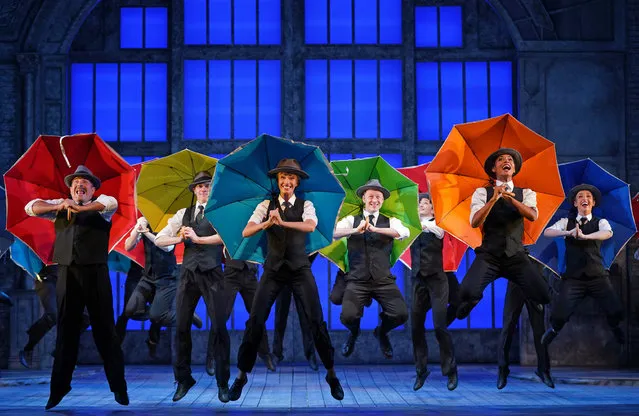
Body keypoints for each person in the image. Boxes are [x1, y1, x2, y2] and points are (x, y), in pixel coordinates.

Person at [228, 159, 344, 402]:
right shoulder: (265, 205)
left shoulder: (306, 205)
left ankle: (331, 374)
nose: (287, 182)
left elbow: (311, 226)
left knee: (316, 321)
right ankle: (240, 376)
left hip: (300, 269)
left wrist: (283, 221)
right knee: (255, 321)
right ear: (278, 181)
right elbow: (246, 232)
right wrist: (267, 222)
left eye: (291, 178)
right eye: (283, 178)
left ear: (297, 182)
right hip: (273, 271)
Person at [25, 165, 128, 409]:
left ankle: (118, 387)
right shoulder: (59, 206)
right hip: (67, 274)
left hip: (96, 274)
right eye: (76, 183)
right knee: (66, 333)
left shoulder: (101, 205)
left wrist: (80, 206)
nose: (79, 185)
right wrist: (58, 206)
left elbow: (110, 203)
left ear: (92, 188)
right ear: (70, 188)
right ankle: (59, 388)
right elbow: (31, 207)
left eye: (85, 183)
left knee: (106, 332)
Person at [155, 171, 231, 403]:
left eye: (207, 186)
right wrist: (179, 238)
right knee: (180, 327)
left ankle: (222, 383)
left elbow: (225, 237)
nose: (203, 189)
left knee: (219, 328)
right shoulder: (183, 214)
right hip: (188, 274)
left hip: (213, 274)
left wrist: (198, 238)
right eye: (199, 187)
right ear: (194, 191)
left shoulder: (219, 212)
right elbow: (160, 239)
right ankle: (183, 378)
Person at [455, 148, 551, 320]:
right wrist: (493, 199)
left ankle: (531, 294)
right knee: (465, 293)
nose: (506, 161)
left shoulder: (526, 193)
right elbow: (475, 222)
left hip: (516, 255)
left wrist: (510, 199)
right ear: (494, 169)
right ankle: (473, 300)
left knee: (544, 296)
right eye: (500, 159)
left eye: (510, 160)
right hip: (490, 255)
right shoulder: (482, 193)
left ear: (514, 169)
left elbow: (532, 215)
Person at [334, 179, 409, 360]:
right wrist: (354, 230)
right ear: (363, 199)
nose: (374, 200)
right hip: (357, 279)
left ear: (382, 201)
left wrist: (375, 229)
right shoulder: (352, 219)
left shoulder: (390, 220)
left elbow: (403, 233)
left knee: (401, 314)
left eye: (378, 197)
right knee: (347, 317)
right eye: (370, 196)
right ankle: (354, 332)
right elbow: (333, 233)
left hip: (383, 279)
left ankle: (381, 332)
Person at [541, 184, 625, 347]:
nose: (584, 198)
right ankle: (554, 331)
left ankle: (615, 327)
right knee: (559, 313)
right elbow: (547, 232)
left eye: (588, 196)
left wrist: (585, 236)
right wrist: (568, 233)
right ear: (575, 203)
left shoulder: (601, 222)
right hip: (573, 278)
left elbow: (607, 233)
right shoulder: (566, 222)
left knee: (616, 310)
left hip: (597, 275)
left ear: (593, 203)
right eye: (580, 196)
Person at [116, 216, 203, 358]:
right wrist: (137, 231)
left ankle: (185, 315)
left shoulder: (173, 223)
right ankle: (163, 311)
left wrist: (146, 233)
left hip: (167, 277)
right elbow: (128, 246)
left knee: (158, 316)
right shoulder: (143, 221)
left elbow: (166, 246)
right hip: (148, 276)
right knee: (131, 311)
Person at [409, 193, 457, 391]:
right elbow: (399, 233)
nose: (421, 205)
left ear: (432, 209)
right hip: (418, 280)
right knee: (415, 327)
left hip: (437, 280)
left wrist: (419, 225)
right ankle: (421, 370)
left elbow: (437, 232)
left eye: (425, 202)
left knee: (439, 326)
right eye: (419, 202)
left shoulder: (439, 224)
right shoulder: (411, 226)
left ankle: (450, 370)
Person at [207, 252, 276, 375]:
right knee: (221, 316)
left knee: (258, 314)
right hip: (231, 273)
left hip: (250, 272)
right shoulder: (228, 231)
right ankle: (211, 356)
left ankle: (265, 352)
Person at [19, 265, 90, 368]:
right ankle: (28, 348)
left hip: (65, 281)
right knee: (53, 315)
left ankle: (61, 350)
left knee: (86, 317)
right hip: (47, 279)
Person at [497, 260, 553, 389]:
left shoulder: (539, 240)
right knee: (508, 327)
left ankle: (543, 370)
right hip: (515, 282)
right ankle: (503, 369)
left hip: (535, 282)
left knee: (539, 329)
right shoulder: (512, 241)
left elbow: (549, 252)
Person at [272, 253, 318, 371]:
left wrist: (304, 263)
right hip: (282, 274)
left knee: (306, 317)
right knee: (280, 317)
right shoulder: (280, 234)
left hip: (301, 275)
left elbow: (314, 250)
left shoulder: (305, 235)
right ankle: (276, 353)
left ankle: (310, 354)